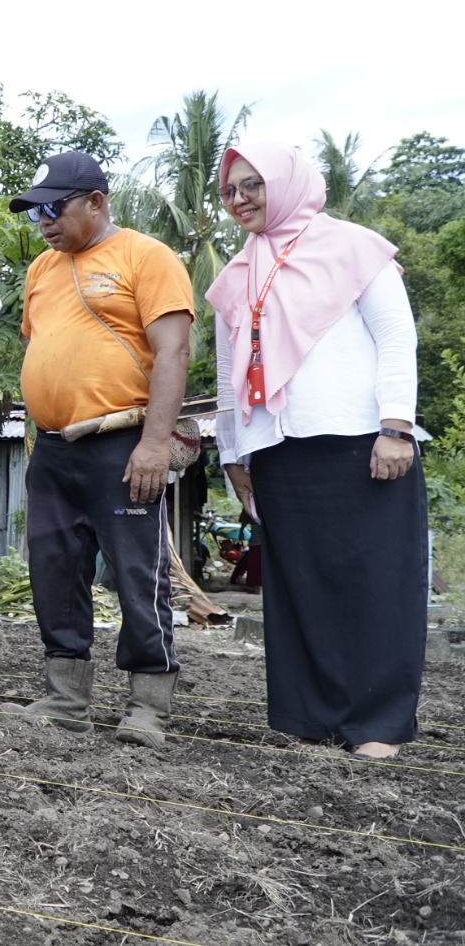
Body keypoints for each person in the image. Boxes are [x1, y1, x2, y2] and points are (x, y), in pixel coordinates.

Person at [206, 142, 425, 761]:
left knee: (375, 584)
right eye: (230, 190)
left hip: (363, 442)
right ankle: (310, 719)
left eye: (253, 185)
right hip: (278, 449)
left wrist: (396, 426)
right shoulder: (237, 273)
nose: (240, 199)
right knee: (300, 585)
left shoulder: (356, 247)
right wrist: (234, 455)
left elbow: (395, 338)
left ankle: (378, 724)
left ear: (289, 182)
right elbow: (229, 374)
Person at [0, 151, 192, 746]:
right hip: (55, 449)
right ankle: (64, 698)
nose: (45, 223)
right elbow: (49, 346)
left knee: (139, 572)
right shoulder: (42, 270)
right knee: (53, 569)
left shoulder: (146, 256)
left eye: (55, 209)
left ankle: (148, 706)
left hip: (123, 444)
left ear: (96, 202)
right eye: (37, 213)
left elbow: (174, 353)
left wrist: (155, 443)